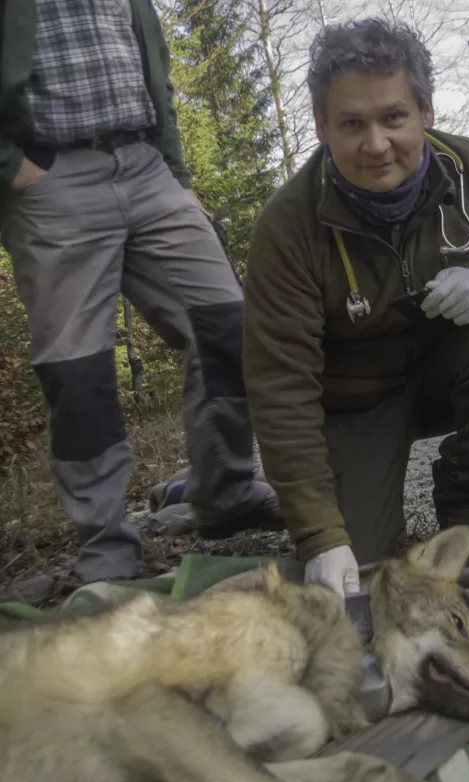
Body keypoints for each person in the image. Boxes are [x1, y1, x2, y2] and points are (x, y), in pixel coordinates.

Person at [243, 18, 469, 598]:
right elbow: (280, 386)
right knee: (360, 572)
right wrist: (320, 535)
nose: (375, 145)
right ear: (321, 125)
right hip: (354, 402)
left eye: (393, 117)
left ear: (425, 109)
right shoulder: (287, 226)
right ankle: (324, 510)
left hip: (453, 368)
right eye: (351, 123)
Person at [0, 0, 282, 582]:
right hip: (51, 177)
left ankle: (225, 496)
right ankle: (106, 550)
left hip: (145, 165)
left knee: (229, 326)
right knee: (77, 371)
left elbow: (155, 76)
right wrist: (13, 166)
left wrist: (177, 174)